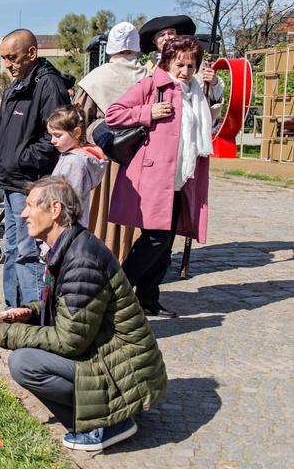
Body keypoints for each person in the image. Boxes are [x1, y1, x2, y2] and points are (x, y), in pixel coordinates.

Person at [0, 176, 167, 452]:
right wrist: (30, 312)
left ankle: (109, 424)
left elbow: (70, 340)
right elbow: (69, 309)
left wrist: (5, 333)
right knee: (27, 356)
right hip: (113, 357)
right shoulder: (71, 246)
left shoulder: (81, 260)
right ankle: (101, 415)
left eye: (29, 206)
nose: (23, 213)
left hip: (126, 372)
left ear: (55, 210)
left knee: (24, 362)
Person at [105, 35, 212, 319]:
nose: (186, 72)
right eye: (180, 65)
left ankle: (148, 298)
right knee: (156, 238)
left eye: (191, 66)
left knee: (167, 244)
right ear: (167, 62)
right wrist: (147, 112)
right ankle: (115, 292)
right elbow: (113, 114)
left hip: (182, 177)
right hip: (154, 175)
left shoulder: (195, 92)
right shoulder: (152, 85)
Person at [0, 29, 71, 307]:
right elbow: (4, 136)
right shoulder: (17, 86)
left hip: (30, 183)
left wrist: (20, 159)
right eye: (4, 58)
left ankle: (36, 315)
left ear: (31, 53)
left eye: (12, 57)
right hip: (12, 182)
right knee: (13, 249)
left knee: (29, 252)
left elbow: (57, 138)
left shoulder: (48, 85)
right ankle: (12, 310)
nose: (7, 65)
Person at [77, 22, 150, 262]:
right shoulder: (150, 76)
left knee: (104, 212)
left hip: (106, 155)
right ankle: (134, 261)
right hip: (144, 155)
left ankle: (103, 259)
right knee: (137, 212)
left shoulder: (96, 78)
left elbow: (79, 120)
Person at [46, 106, 107, 227]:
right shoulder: (71, 157)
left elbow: (70, 200)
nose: (52, 140)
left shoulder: (74, 163)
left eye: (58, 135)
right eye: (51, 135)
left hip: (65, 225)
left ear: (77, 133)